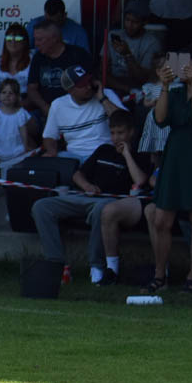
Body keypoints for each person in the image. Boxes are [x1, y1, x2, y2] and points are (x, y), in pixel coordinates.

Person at [30, 111, 146, 284]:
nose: (115, 138)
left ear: (131, 132)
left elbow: (140, 180)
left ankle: (96, 266)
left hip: (113, 203)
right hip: (87, 197)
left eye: (120, 133)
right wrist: (87, 186)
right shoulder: (104, 150)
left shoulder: (139, 155)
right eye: (112, 133)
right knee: (41, 206)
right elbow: (77, 175)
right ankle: (56, 264)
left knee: (102, 210)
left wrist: (127, 154)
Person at [143, 49, 192, 293]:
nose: (179, 68)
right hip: (175, 156)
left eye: (185, 63)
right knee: (161, 219)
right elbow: (160, 119)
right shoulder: (176, 93)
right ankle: (160, 275)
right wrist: (164, 86)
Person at [25, 19, 96, 117]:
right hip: (45, 111)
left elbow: (90, 84)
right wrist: (45, 107)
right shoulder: (38, 58)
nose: (36, 44)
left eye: (40, 40)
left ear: (54, 38)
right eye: (35, 39)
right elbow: (32, 89)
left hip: (77, 110)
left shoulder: (78, 55)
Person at [42, 65, 113, 161]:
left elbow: (123, 121)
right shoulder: (58, 105)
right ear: (70, 90)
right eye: (83, 85)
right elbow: (49, 137)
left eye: (89, 81)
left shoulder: (106, 94)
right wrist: (52, 152)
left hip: (103, 154)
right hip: (74, 157)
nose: (89, 87)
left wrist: (102, 98)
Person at [104, 0, 162, 97]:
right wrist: (128, 89)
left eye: (135, 22)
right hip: (115, 85)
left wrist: (127, 54)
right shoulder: (113, 35)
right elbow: (102, 72)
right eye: (127, 20)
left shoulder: (152, 42)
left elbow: (142, 78)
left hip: (139, 87)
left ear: (144, 22)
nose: (129, 25)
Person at [0, 22, 33, 107]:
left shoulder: (33, 60)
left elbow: (34, 93)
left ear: (25, 42)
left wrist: (14, 111)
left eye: (18, 38)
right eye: (9, 38)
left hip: (24, 108)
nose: (13, 41)